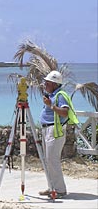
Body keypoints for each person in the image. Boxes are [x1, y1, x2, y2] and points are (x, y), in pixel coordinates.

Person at [39, 70, 79, 199]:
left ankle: (60, 190)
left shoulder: (60, 95)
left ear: (55, 84)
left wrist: (50, 105)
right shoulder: (52, 94)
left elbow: (65, 112)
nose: (45, 84)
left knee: (52, 160)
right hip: (47, 129)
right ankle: (52, 187)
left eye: (47, 83)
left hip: (55, 131)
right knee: (48, 160)